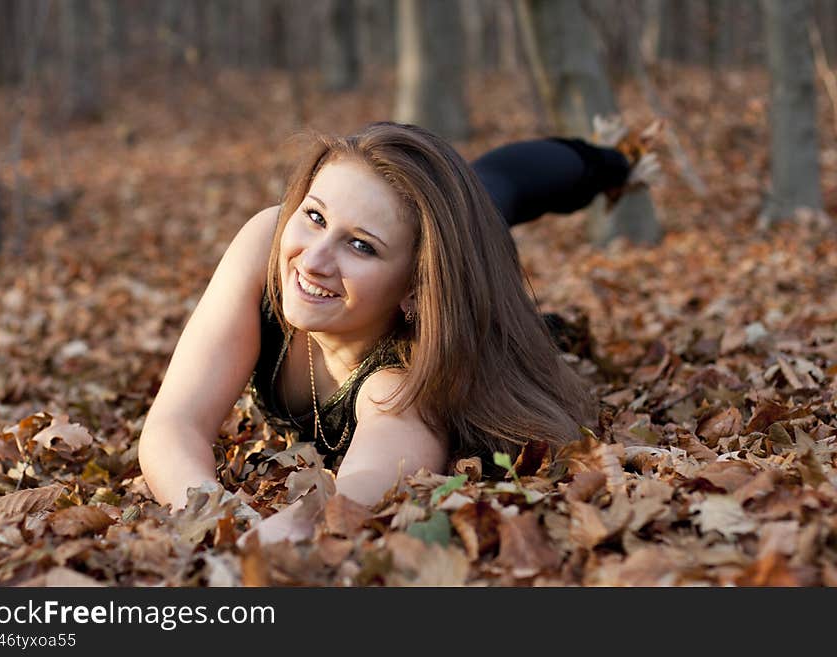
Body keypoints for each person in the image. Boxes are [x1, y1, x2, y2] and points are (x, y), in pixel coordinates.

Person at [137, 120, 655, 543]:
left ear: (414, 285)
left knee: (496, 191)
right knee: (491, 184)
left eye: (361, 246)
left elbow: (363, 487)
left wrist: (293, 531)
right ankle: (610, 157)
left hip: (457, 285)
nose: (313, 260)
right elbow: (173, 425)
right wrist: (216, 513)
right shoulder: (268, 246)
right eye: (314, 216)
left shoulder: (402, 376)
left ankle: (616, 162)